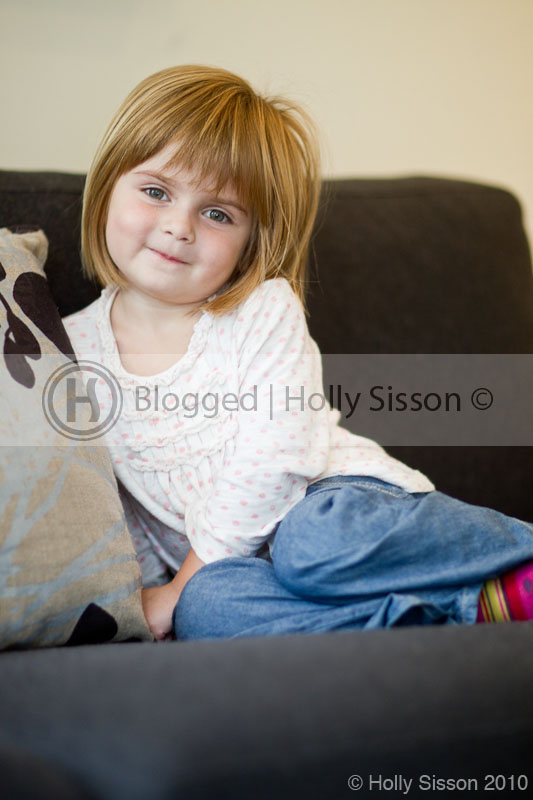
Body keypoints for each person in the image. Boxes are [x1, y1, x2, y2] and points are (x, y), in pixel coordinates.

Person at [63, 65, 533, 642]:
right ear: (109, 184)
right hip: (235, 572)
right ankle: (463, 609)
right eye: (156, 192)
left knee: (308, 543)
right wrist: (160, 597)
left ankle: (519, 550)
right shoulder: (67, 353)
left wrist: (181, 581)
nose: (179, 226)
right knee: (207, 611)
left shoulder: (260, 310)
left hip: (335, 504)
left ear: (250, 241)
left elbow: (276, 455)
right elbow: (110, 508)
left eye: (218, 213)